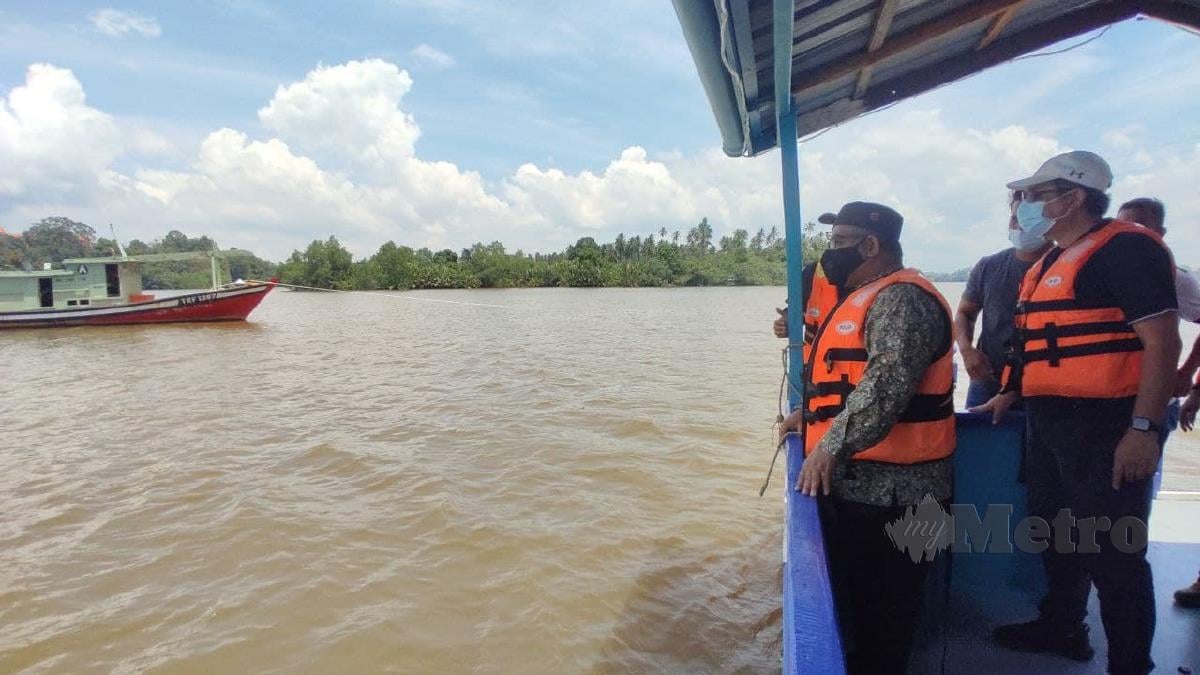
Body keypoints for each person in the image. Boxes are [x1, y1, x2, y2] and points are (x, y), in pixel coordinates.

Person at [976, 151, 1180, 675]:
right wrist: (1009, 391)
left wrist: (1143, 430)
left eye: (1037, 195)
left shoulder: (1127, 250)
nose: (1025, 205)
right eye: (1024, 196)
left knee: (1115, 556)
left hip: (1107, 426)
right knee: (1054, 534)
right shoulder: (1047, 260)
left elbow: (1162, 343)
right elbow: (1038, 341)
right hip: (1049, 427)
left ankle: (1130, 666)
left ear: (1074, 198)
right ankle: (1063, 627)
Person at [779, 201, 956, 674]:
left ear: (871, 245)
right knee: (860, 607)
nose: (829, 253)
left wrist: (831, 445)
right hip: (866, 490)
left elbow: (886, 386)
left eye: (838, 243)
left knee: (887, 615)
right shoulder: (867, 295)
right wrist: (807, 415)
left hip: (901, 495)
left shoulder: (901, 300)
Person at [955, 191, 1052, 407]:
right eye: (1014, 218)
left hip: (1045, 386)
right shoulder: (988, 266)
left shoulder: (1065, 266)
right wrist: (966, 350)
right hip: (988, 379)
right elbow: (964, 313)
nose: (1019, 226)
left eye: (1029, 220)